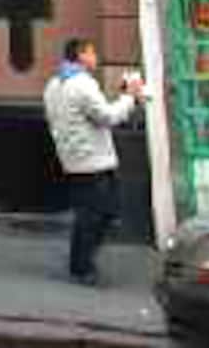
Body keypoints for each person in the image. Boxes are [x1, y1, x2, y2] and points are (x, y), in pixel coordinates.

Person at [43, 37, 144, 285]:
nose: (96, 57)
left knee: (94, 213)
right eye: (92, 52)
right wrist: (130, 97)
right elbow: (107, 117)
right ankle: (82, 266)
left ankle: (82, 261)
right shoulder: (83, 83)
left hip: (74, 158)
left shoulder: (53, 84)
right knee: (97, 215)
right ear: (81, 55)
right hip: (93, 160)